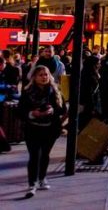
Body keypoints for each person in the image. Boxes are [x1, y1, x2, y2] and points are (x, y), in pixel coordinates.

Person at [18, 65, 66, 198]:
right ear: (34, 77)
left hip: (50, 128)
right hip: (32, 128)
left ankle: (42, 178)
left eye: (46, 74)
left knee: (45, 154)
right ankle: (32, 184)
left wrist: (53, 111)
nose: (44, 77)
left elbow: (63, 110)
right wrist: (32, 113)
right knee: (34, 155)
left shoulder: (55, 91)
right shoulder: (27, 92)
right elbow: (20, 111)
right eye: (40, 75)